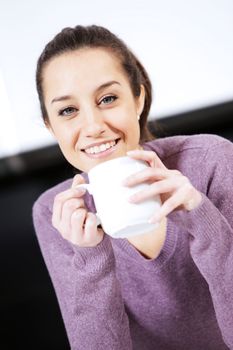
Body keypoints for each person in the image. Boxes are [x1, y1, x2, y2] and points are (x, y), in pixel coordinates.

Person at [33, 25, 233, 350]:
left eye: (108, 99)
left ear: (137, 99)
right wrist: (91, 258)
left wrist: (204, 222)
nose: (94, 126)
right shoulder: (53, 214)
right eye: (68, 110)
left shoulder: (211, 161)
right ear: (50, 126)